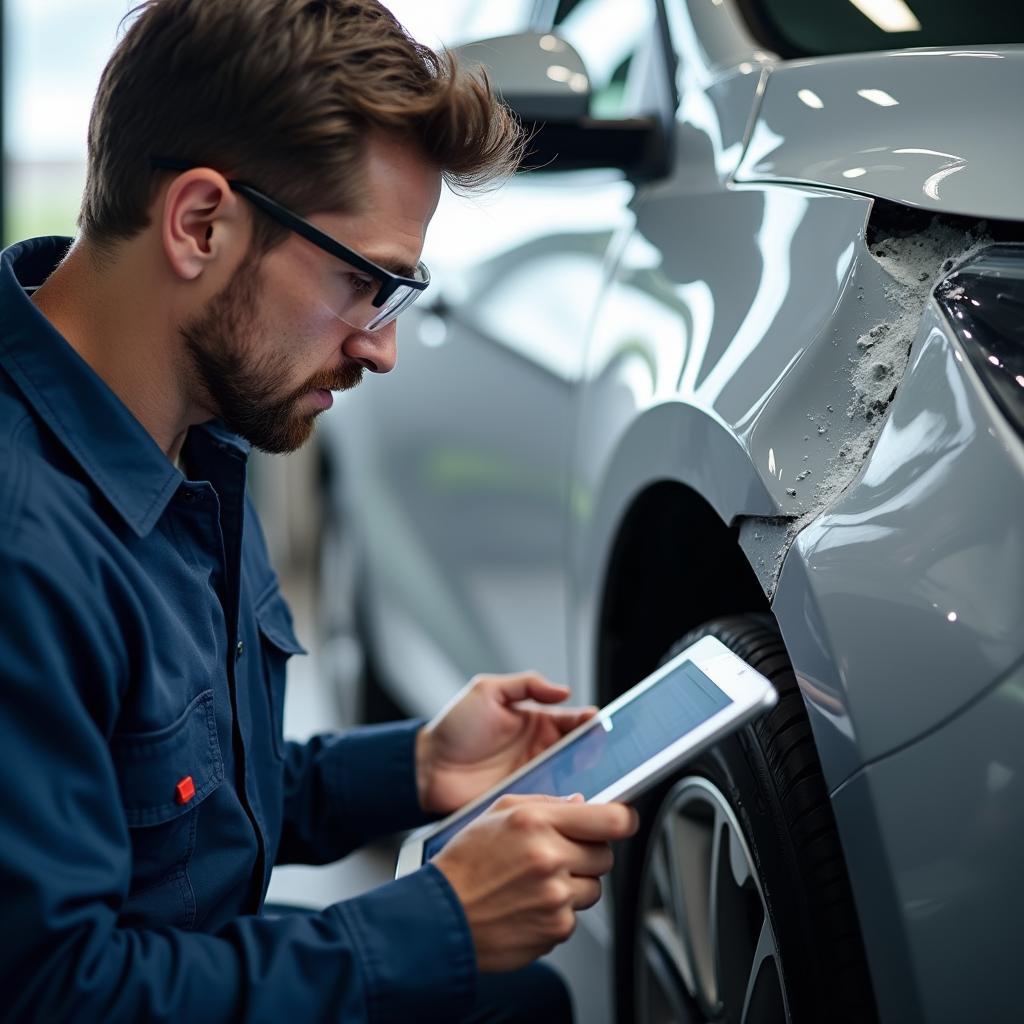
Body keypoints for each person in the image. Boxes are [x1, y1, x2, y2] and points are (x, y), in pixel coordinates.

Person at [0, 1, 639, 1021]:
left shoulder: (190, 431)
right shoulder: (25, 545)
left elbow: (162, 801)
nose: (380, 345)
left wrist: (412, 764)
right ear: (200, 222)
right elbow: (57, 994)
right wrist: (438, 920)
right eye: (361, 281)